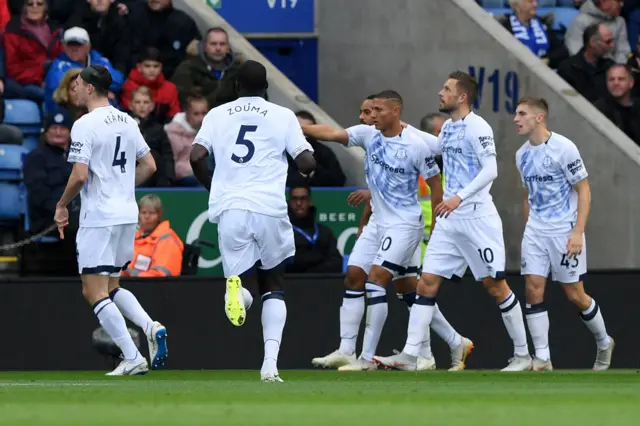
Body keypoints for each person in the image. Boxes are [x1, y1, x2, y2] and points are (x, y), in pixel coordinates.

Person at [374, 71, 531, 372]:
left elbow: (490, 170)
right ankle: (411, 354)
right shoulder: (447, 128)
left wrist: (459, 196)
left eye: (446, 89)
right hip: (449, 220)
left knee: (494, 285)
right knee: (427, 283)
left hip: (476, 218)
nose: (440, 92)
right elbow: (436, 148)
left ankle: (523, 355)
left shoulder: (478, 127)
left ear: (462, 96)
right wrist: (403, 128)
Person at [302, 91, 469, 372]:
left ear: (395, 111)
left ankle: (366, 359)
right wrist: (296, 127)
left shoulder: (416, 145)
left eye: (378, 109)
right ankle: (348, 349)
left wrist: (440, 223)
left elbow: (436, 185)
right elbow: (331, 133)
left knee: (375, 281)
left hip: (404, 224)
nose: (372, 115)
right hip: (380, 222)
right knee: (371, 280)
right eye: (371, 110)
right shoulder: (369, 135)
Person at [189, 60, 316, 382]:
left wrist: (214, 185)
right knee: (273, 284)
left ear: (236, 86)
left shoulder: (216, 115)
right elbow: (306, 161)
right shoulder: (283, 115)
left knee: (244, 282)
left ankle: (239, 294)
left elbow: (195, 157)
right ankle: (269, 365)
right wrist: (306, 164)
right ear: (266, 86)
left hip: (230, 206)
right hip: (269, 207)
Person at [54, 64, 168, 376]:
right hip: (126, 213)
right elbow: (150, 165)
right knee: (112, 283)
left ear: (90, 88)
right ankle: (149, 325)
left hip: (100, 216)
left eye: (77, 83)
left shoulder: (85, 124)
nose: (74, 88)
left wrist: (62, 205)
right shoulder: (128, 121)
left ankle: (131, 355)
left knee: (93, 290)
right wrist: (123, 187)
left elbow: (79, 175)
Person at [513, 97, 614, 371]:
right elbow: (527, 196)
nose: (516, 119)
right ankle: (542, 358)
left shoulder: (564, 148)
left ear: (539, 118)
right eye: (516, 114)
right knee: (533, 288)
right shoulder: (521, 155)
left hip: (564, 230)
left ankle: (604, 342)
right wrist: (529, 229)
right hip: (536, 231)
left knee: (575, 295)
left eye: (522, 114)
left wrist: (578, 232)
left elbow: (583, 189)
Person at [286, 182, 343, 273]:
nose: (299, 203)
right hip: (291, 284)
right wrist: (318, 258)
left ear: (310, 201)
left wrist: (309, 269)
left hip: (322, 284)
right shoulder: (282, 233)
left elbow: (337, 263)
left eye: (303, 199)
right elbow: (284, 265)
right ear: (289, 202)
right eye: (295, 199)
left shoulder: (324, 232)